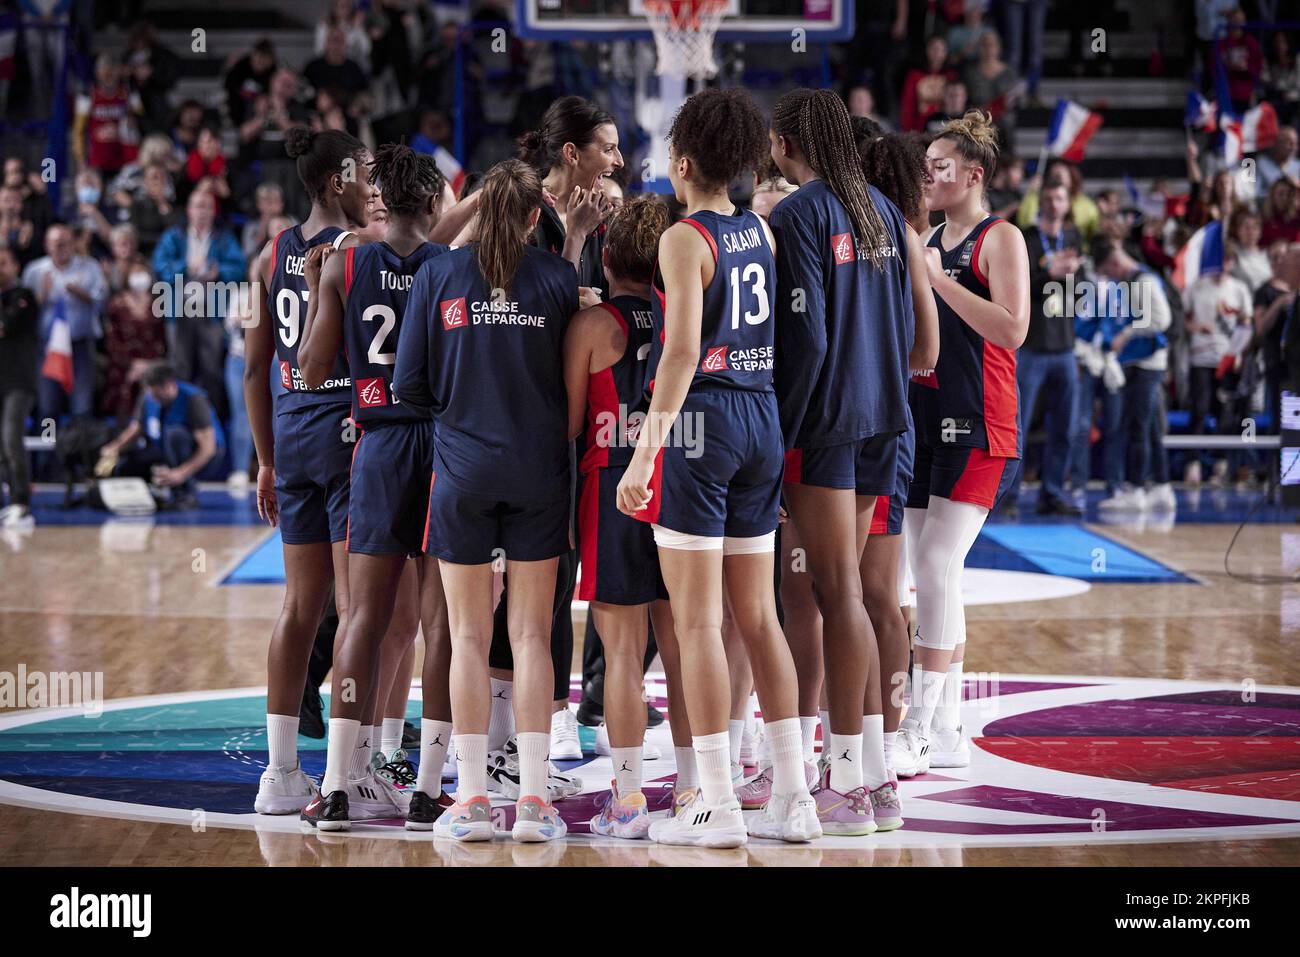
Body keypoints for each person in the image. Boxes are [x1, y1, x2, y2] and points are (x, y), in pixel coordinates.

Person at [616, 88, 819, 847]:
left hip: (703, 423)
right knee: (758, 617)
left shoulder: (683, 238)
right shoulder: (760, 232)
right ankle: (794, 797)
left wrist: (644, 452)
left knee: (699, 621)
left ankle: (716, 803)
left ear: (684, 161)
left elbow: (678, 352)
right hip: (761, 416)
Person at [392, 158, 578, 843]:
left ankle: (469, 798)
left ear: (477, 209)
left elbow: (408, 384)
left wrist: (462, 406)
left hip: (462, 471)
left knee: (466, 635)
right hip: (539, 474)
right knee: (530, 635)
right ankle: (533, 800)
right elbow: (571, 384)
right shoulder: (560, 279)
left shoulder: (437, 273)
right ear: (536, 217)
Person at [766, 88, 933, 835]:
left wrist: (780, 437)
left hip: (827, 425)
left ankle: (841, 784)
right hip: (881, 419)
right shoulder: (883, 210)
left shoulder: (800, 215)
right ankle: (874, 774)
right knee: (858, 598)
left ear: (786, 143)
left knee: (837, 596)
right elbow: (905, 328)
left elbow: (810, 341)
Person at [296, 144, 453, 831]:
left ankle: (337, 784)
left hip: (380, 444)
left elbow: (310, 367)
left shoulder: (344, 261)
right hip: (447, 449)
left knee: (362, 615)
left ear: (383, 196)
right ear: (435, 201)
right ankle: (424, 790)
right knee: (444, 623)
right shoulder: (455, 268)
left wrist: (315, 291)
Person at [486, 95, 620, 772]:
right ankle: (519, 722)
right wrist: (573, 298)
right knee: (517, 583)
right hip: (518, 417)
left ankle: (576, 707)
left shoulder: (603, 215)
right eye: (609, 147)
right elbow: (514, 304)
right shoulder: (523, 210)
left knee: (583, 573)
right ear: (573, 154)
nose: (620, 161)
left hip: (576, 425)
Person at [893, 111, 1030, 777]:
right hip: (921, 415)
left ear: (973, 174)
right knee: (928, 570)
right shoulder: (921, 235)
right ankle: (948, 726)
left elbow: (1012, 328)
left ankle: (920, 723)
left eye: (940, 166)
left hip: (979, 422)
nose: (928, 175)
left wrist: (936, 277)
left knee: (941, 564)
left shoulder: (999, 238)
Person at [243, 127, 373, 815]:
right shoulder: (357, 253)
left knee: (299, 607)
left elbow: (251, 369)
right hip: (347, 436)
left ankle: (279, 773)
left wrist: (265, 458)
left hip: (290, 439)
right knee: (354, 611)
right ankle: (349, 775)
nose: (372, 187)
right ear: (336, 180)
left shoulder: (265, 255)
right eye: (366, 174)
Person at [562, 196, 677, 839]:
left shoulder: (591, 327)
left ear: (605, 260)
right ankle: (696, 787)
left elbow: (573, 426)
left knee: (623, 656)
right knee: (685, 645)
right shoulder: (680, 316)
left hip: (610, 488)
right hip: (674, 483)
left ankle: (629, 798)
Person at [856, 128, 940, 782]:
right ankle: (874, 737)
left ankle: (881, 741)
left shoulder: (886, 235)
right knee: (872, 596)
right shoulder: (898, 235)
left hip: (872, 426)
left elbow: (925, 354)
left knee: (871, 596)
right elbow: (926, 355)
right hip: (887, 421)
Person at [1008, 181, 1084, 516]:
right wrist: (1047, 273)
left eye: (1061, 197)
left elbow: (1079, 293)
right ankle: (1007, 493)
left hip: (1065, 344)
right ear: (1041, 202)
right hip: (1032, 344)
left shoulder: (1073, 238)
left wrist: (1072, 278)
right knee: (1017, 423)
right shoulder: (1025, 237)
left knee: (1065, 425)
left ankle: (1051, 492)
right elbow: (1018, 287)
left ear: (1068, 204)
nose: (1055, 202)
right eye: (1050, 196)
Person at [1092, 239, 1176, 512]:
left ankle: (1136, 487)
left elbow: (1162, 320)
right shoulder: (1131, 281)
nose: (1110, 278)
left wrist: (1127, 333)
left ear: (1115, 263)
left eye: (1108, 272)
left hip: (1148, 363)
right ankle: (1162, 485)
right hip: (1140, 362)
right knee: (1149, 427)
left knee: (1137, 425)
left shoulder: (1144, 281)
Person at [152, 189, 246, 412]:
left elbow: (239, 268)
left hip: (211, 310)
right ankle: (180, 416)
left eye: (207, 206)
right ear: (189, 210)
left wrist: (218, 272)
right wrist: (185, 268)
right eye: (197, 206)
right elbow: (159, 266)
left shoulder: (224, 238)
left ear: (214, 211)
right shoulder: (174, 236)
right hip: (179, 310)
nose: (202, 211)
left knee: (211, 369)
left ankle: (211, 422)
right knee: (179, 367)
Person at [94, 360, 224, 508]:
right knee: (125, 464)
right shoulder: (148, 397)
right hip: (163, 448)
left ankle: (185, 493)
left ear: (169, 385)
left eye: (155, 392)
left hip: (203, 456)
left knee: (175, 435)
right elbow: (135, 429)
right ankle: (146, 495)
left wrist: (180, 474)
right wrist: (114, 448)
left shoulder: (193, 399)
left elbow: (208, 449)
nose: (151, 397)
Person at [21, 223, 109, 422]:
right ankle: (47, 450)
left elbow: (103, 304)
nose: (60, 248)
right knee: (48, 406)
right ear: (46, 245)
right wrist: (41, 296)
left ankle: (79, 450)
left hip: (80, 344)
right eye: (55, 243)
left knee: (81, 404)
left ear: (73, 244)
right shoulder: (35, 270)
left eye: (65, 243)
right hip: (47, 346)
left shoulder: (90, 267)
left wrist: (82, 295)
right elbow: (23, 313)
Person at [0, 245, 39, 529]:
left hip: (19, 382)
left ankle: (22, 503)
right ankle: (10, 499)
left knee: (13, 438)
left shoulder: (24, 297)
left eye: (3, 263)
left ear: (15, 267)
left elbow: (7, 325)